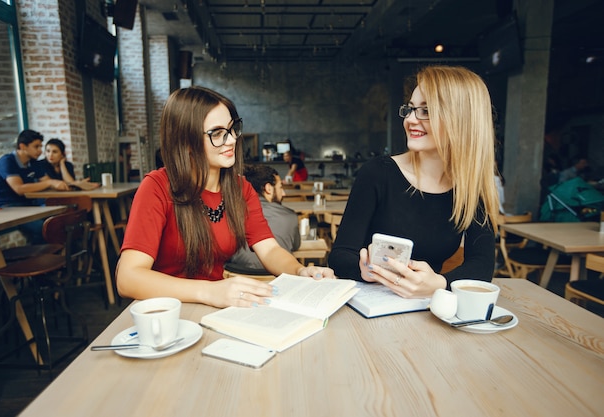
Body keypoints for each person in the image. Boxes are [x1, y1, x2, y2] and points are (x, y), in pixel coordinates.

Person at [116, 86, 334, 308]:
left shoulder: (240, 188)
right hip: (164, 312)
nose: (231, 140)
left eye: (232, 129)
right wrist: (209, 290)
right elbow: (128, 278)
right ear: (186, 141)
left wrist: (299, 271)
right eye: (217, 134)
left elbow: (269, 249)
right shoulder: (157, 187)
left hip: (213, 308)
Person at [328, 65, 499, 299]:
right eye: (410, 109)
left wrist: (438, 283)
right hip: (371, 304)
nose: (410, 119)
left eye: (426, 111)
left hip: (426, 308)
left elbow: (482, 266)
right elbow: (341, 255)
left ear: (461, 120)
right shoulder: (378, 173)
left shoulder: (470, 187)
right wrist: (366, 271)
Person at [0, 129, 70, 242]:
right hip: (3, 207)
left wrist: (65, 185)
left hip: (25, 206)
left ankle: (52, 256)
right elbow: (19, 189)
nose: (40, 151)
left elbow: (50, 184)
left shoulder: (33, 163)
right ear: (23, 146)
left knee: (61, 221)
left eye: (41, 147)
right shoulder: (7, 161)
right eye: (36, 147)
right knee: (45, 228)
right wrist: (50, 183)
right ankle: (42, 257)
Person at [227, 164, 301, 271]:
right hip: (277, 278)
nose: (283, 193)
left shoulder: (230, 214)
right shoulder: (290, 216)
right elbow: (296, 246)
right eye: (280, 187)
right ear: (268, 188)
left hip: (235, 275)